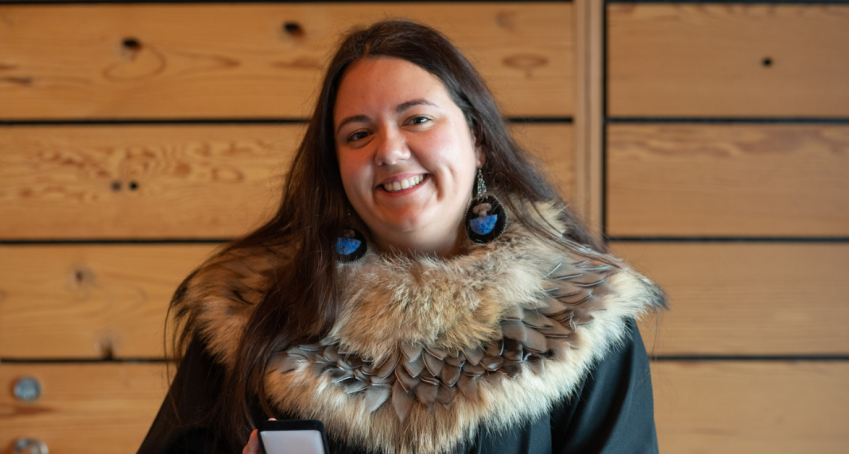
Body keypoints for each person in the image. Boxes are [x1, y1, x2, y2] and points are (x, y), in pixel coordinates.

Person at [138, 20, 666, 454]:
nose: (389, 151)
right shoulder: (253, 312)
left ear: (477, 140)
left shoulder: (580, 316)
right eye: (358, 134)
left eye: (417, 119)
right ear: (336, 168)